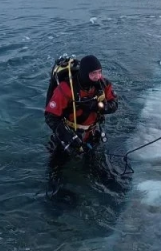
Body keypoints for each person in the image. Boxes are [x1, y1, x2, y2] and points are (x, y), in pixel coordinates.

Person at [44, 55, 118, 195]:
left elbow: (114, 104)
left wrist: (99, 106)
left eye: (99, 72)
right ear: (84, 73)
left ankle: (105, 186)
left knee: (94, 164)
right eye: (93, 73)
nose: (98, 76)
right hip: (69, 134)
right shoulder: (66, 88)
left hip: (91, 133)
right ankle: (55, 194)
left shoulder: (103, 84)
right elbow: (50, 116)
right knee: (56, 167)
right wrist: (67, 136)